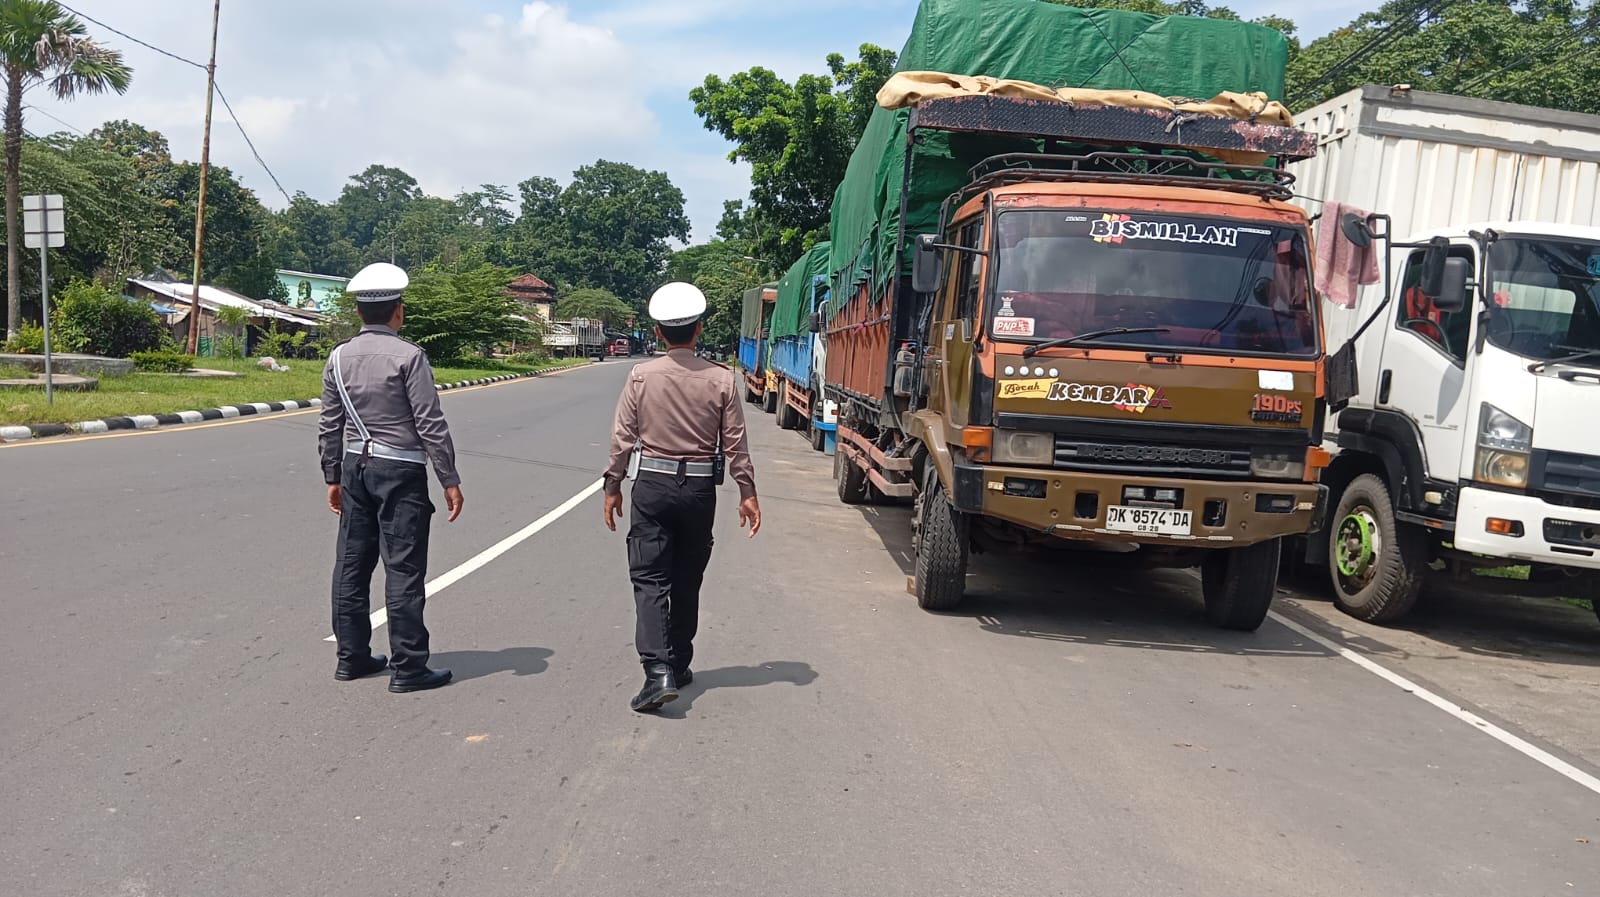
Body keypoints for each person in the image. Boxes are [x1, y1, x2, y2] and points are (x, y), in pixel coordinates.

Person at [602, 282, 761, 713]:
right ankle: (679, 661)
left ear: (656, 333)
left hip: (651, 490)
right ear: (700, 329)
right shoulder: (722, 379)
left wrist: (612, 486)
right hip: (698, 492)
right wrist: (747, 492)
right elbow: (736, 444)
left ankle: (657, 673)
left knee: (651, 579)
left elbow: (622, 439)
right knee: (687, 576)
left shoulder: (640, 376)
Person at [318, 261, 464, 694]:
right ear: (398, 311)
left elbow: (330, 423)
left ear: (360, 313)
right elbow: (430, 423)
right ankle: (408, 666)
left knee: (351, 563)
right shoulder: (410, 357)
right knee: (402, 567)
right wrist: (449, 477)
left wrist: (332, 473)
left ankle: (352, 657)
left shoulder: (338, 356)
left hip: (353, 467)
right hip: (400, 469)